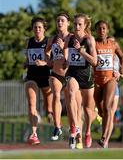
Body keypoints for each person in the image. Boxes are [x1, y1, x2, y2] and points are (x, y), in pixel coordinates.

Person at [65, 13, 97, 149]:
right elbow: (65, 53)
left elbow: (94, 61)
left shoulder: (89, 39)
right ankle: (74, 126)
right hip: (73, 74)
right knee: (71, 92)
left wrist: (81, 51)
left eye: (80, 24)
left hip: (87, 77)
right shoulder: (70, 38)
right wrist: (64, 60)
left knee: (88, 110)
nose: (77, 27)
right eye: (75, 24)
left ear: (85, 26)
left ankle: (88, 131)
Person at [94, 20, 123, 148]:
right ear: (96, 31)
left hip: (110, 79)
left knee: (108, 107)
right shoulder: (94, 43)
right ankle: (105, 129)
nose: (101, 31)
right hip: (97, 81)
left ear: (107, 30)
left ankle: (104, 138)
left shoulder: (113, 44)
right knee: (102, 111)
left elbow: (122, 56)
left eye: (103, 28)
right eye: (99, 29)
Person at [24, 17, 53, 145]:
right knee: (31, 104)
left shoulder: (49, 42)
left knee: (49, 109)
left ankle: (50, 116)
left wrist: (44, 63)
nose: (37, 29)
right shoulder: (29, 41)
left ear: (44, 29)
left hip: (46, 78)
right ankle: (34, 134)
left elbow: (53, 63)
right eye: (35, 27)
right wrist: (26, 63)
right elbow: (27, 58)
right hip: (32, 77)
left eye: (40, 27)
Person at [45, 12, 71, 141]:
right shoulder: (52, 39)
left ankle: (75, 129)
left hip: (71, 75)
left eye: (62, 20)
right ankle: (57, 126)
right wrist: (48, 61)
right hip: (56, 74)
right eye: (58, 21)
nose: (59, 23)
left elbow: (67, 62)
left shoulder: (72, 38)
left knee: (72, 102)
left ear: (68, 23)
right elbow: (46, 51)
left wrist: (62, 48)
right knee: (55, 94)